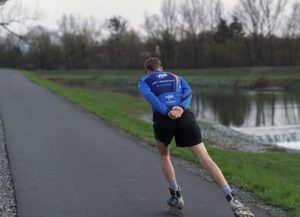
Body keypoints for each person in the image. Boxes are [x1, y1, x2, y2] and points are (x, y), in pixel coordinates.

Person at [138, 57, 254, 217]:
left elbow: (152, 99)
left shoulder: (144, 80)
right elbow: (188, 92)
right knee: (205, 158)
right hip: (184, 116)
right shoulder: (177, 77)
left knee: (164, 154)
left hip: (163, 119)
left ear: (147, 70)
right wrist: (180, 108)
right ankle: (233, 199)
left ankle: (176, 196)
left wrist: (167, 111)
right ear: (162, 68)